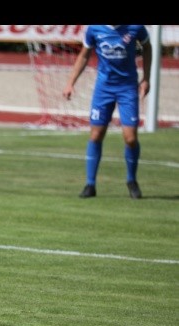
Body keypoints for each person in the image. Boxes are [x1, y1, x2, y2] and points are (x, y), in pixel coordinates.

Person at [62, 25, 152, 199]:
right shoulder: (94, 29)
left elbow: (148, 47)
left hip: (127, 88)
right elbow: (84, 54)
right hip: (103, 89)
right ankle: (90, 184)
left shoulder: (135, 27)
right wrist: (70, 82)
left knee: (131, 137)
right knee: (96, 135)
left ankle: (131, 180)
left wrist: (146, 78)